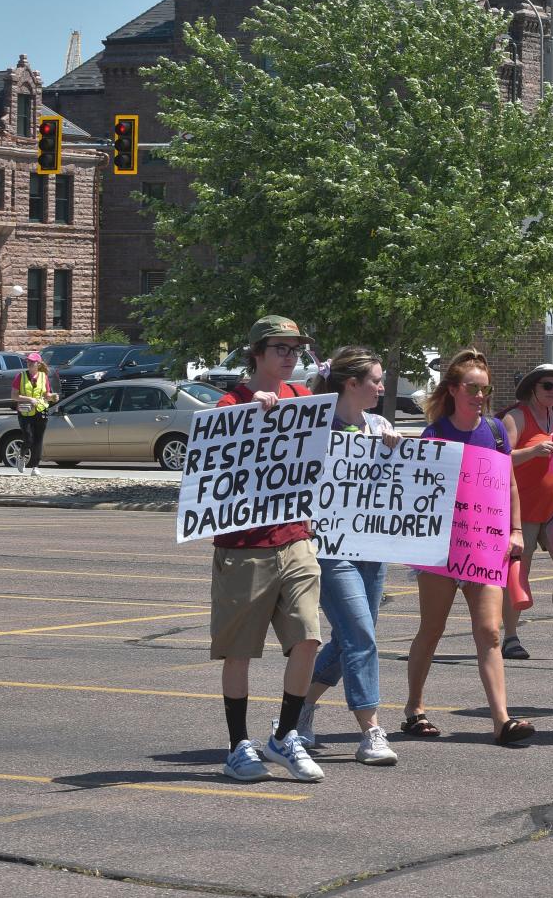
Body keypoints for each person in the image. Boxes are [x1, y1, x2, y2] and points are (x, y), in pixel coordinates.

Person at [402, 348, 536, 747]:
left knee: (490, 631)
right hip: (443, 547)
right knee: (432, 629)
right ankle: (414, 708)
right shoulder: (435, 433)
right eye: (472, 388)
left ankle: (502, 720)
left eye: (485, 388)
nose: (479, 395)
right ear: (454, 389)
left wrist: (515, 529)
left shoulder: (494, 431)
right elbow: (418, 488)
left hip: (485, 545)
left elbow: (508, 482)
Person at [211, 315, 324, 783]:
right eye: (280, 347)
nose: (290, 356)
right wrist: (242, 417)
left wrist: (378, 433)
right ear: (256, 353)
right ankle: (238, 744)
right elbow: (211, 464)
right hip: (244, 546)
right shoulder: (229, 403)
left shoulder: (303, 400)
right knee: (239, 652)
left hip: (295, 538)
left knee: (309, 638)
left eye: (296, 348)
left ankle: (285, 734)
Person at [297, 347, 398, 766]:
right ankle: (371, 731)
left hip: (372, 547)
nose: (381, 386)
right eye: (375, 379)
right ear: (351, 384)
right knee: (361, 635)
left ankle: (298, 705)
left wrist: (393, 448)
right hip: (330, 548)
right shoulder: (316, 425)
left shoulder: (378, 424)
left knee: (351, 636)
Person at [500, 362, 553, 661]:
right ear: (533, 388)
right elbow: (500, 459)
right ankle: (510, 638)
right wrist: (532, 451)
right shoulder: (516, 418)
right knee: (517, 573)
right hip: (520, 509)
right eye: (547, 386)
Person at [11, 353, 58, 475]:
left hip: (41, 410)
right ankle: (21, 456)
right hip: (25, 412)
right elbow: (14, 395)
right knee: (29, 439)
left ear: (38, 364)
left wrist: (52, 397)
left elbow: (46, 395)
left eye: (32, 361)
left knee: (38, 439)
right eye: (28, 361)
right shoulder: (20, 376)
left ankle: (35, 467)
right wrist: (29, 399)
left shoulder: (44, 377)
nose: (29, 363)